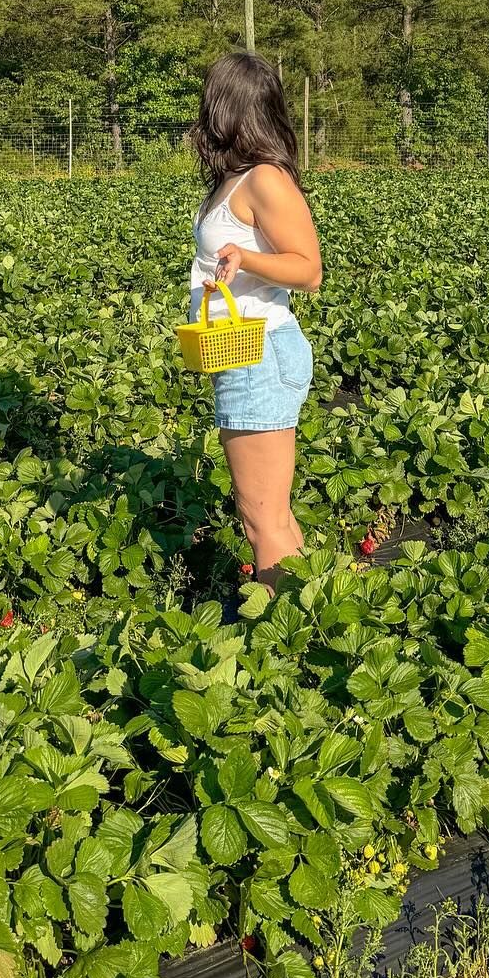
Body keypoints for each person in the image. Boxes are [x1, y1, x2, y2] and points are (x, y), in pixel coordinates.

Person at [189, 52, 323, 585]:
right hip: (244, 353)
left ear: (228, 110)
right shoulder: (236, 178)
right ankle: (304, 618)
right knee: (275, 517)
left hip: (258, 354)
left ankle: (275, 652)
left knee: (260, 521)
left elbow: (308, 269)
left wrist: (246, 260)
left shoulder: (265, 178)